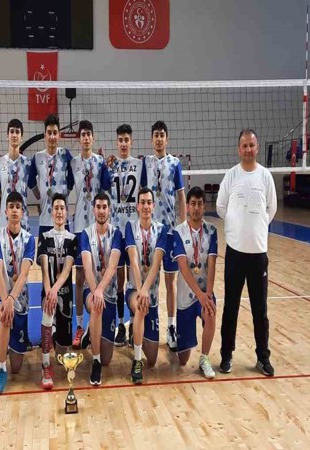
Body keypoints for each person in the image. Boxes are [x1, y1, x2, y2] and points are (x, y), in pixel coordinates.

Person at [216, 128, 277, 377]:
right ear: (238, 149)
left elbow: (271, 209)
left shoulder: (265, 176)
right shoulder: (231, 176)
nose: (248, 149)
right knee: (230, 307)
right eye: (244, 146)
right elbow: (221, 207)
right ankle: (226, 355)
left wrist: (256, 228)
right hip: (235, 253)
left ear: (257, 147)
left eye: (252, 145)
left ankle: (263, 357)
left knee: (260, 310)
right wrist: (236, 227)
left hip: (258, 254)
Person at [141, 121, 186, 352]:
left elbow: (181, 196)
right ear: (151, 140)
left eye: (162, 135)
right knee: (147, 281)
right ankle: (144, 326)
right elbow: (140, 196)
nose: (159, 139)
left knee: (170, 282)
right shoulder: (145, 163)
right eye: (155, 135)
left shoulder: (175, 163)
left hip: (169, 232)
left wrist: (183, 227)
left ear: (167, 139)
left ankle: (170, 327)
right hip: (150, 233)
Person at [100, 123, 142, 346]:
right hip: (116, 230)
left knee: (134, 278)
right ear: (116, 143)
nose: (124, 143)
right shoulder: (110, 165)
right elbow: (103, 188)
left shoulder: (140, 165)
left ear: (131, 142)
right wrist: (104, 163)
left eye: (127, 140)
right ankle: (120, 325)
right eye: (120, 140)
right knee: (118, 280)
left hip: (134, 230)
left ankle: (134, 324)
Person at [0, 191, 36, 394]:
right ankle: (1, 369)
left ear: (23, 212)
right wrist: (5, 300)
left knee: (17, 368)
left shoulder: (29, 239)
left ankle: (9, 345)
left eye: (18, 207)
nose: (15, 210)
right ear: (6, 211)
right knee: (5, 316)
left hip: (20, 301)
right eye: (11, 207)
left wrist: (12, 299)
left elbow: (24, 273)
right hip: (2, 298)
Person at [171, 187, 218, 379]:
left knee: (211, 310)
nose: (196, 208)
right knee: (182, 360)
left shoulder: (212, 231)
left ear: (204, 206)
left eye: (200, 204)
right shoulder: (178, 232)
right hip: (186, 297)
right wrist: (200, 295)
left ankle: (204, 358)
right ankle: (179, 337)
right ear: (188, 207)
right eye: (193, 204)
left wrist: (208, 296)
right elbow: (183, 267)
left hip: (204, 293)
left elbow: (212, 264)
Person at [125, 188, 168, 384]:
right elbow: (133, 260)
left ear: (153, 206)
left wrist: (146, 290)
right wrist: (140, 290)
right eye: (142, 202)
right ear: (137, 206)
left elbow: (156, 263)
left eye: (149, 202)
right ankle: (136, 361)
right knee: (141, 308)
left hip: (152, 294)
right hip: (134, 289)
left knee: (152, 359)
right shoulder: (130, 227)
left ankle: (135, 329)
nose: (145, 206)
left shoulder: (162, 229)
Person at [80, 190, 123, 386]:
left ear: (109, 210)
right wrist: (95, 291)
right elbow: (87, 267)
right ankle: (95, 362)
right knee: (96, 306)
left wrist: (101, 290)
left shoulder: (116, 234)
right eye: (98, 207)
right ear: (93, 210)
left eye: (104, 207)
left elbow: (112, 266)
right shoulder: (85, 234)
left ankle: (91, 331)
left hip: (110, 294)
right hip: (91, 291)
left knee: (109, 359)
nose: (101, 210)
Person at [69, 120, 106, 349]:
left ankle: (98, 320)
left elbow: (107, 191)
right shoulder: (72, 162)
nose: (85, 138)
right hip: (78, 227)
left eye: (88, 134)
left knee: (98, 273)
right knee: (80, 275)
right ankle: (80, 325)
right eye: (82, 134)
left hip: (97, 227)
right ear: (79, 138)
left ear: (93, 137)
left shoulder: (101, 162)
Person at [37, 193, 78, 390]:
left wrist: (54, 290)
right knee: (47, 310)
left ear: (67, 212)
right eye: (56, 208)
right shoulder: (44, 237)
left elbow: (67, 269)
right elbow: (45, 269)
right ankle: (45, 365)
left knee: (62, 355)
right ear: (51, 212)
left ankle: (54, 334)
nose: (59, 212)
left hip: (65, 295)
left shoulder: (73, 239)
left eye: (62, 208)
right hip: (49, 293)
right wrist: (49, 292)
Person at [29, 114, 74, 235]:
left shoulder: (65, 154)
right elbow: (30, 180)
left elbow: (74, 175)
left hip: (62, 219)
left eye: (55, 133)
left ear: (59, 135)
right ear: (45, 135)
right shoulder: (38, 157)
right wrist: (38, 196)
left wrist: (67, 192)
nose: (52, 136)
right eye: (49, 133)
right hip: (45, 219)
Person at [0, 118, 33, 231]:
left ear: (21, 137)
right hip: (5, 221)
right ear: (7, 136)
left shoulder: (28, 164)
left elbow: (37, 190)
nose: (14, 135)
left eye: (17, 132)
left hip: (23, 221)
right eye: (12, 131)